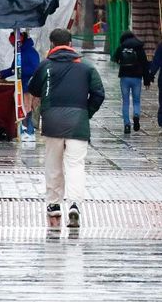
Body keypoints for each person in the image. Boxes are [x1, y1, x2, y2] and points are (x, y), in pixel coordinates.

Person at [25, 27, 105, 228]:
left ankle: (54, 204)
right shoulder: (87, 68)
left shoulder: (45, 66)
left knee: (53, 163)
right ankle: (74, 205)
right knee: (76, 165)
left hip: (52, 121)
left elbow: (33, 89)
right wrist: (86, 112)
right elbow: (99, 93)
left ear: (52, 44)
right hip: (78, 122)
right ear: (70, 44)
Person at [114, 30, 150, 133]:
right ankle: (136, 115)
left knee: (125, 101)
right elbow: (145, 64)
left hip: (124, 77)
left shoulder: (121, 48)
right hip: (137, 78)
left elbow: (115, 58)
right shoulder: (139, 47)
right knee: (136, 100)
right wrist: (146, 80)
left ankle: (126, 124)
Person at [17, 34, 41, 138]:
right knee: (28, 107)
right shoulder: (28, 51)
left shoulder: (26, 53)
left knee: (27, 107)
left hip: (28, 85)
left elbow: (33, 70)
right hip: (28, 84)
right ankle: (28, 129)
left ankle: (29, 129)